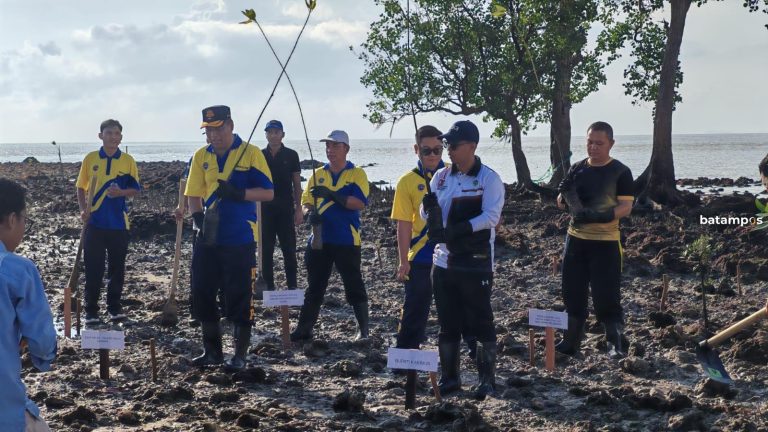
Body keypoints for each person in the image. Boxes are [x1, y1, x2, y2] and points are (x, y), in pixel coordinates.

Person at [185, 105, 274, 371]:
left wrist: (240, 194)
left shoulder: (251, 154)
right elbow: (193, 194)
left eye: (219, 128)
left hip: (240, 236)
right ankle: (211, 351)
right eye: (209, 130)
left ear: (231, 125)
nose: (214, 135)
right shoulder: (201, 156)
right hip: (208, 237)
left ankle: (240, 356)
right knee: (201, 291)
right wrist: (198, 220)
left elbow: (268, 193)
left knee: (240, 295)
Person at [422, 120, 505, 400]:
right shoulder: (440, 178)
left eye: (453, 146)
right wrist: (427, 209)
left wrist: (461, 228)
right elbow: (429, 217)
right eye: (447, 145)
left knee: (481, 321)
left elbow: (492, 217)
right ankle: (450, 379)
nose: (449, 151)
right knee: (448, 324)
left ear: (472, 146)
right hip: (444, 263)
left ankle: (486, 380)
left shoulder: (489, 179)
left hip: (476, 262)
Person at [555, 121, 634, 359]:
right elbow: (561, 200)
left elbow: (626, 207)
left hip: (606, 242)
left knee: (607, 294)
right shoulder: (577, 168)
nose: (593, 147)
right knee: (572, 293)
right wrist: (564, 198)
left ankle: (615, 342)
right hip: (575, 240)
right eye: (590, 142)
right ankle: (570, 341)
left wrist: (603, 215)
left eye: (599, 143)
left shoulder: (620, 171)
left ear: (611, 143)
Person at [290, 130, 370, 342]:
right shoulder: (317, 174)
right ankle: (305, 328)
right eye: (328, 146)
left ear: (346, 149)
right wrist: (310, 215)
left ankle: (363, 330)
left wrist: (332, 194)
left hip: (347, 239)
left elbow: (359, 203)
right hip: (319, 239)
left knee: (353, 284)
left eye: (335, 146)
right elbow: (306, 202)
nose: (330, 150)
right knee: (315, 286)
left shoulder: (357, 174)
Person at [0, 178, 57, 432]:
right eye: (25, 220)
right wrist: (41, 354)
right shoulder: (17, 270)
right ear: (12, 219)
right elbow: (42, 343)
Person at [76, 119, 141, 325]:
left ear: (121, 137)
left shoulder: (128, 161)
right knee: (94, 268)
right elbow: (80, 187)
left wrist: (120, 192)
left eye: (116, 134)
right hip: (94, 222)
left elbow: (135, 190)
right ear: (100, 136)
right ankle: (91, 311)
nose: (113, 137)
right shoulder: (91, 159)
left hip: (118, 224)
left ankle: (114, 308)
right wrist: (83, 209)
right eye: (109, 133)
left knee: (116, 268)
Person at [391, 125, 446, 351]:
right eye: (427, 150)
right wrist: (403, 260)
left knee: (457, 309)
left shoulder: (452, 175)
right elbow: (403, 224)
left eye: (438, 149)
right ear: (416, 149)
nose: (433, 155)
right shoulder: (407, 181)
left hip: (449, 252)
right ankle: (404, 355)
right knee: (415, 307)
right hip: (421, 254)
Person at [261, 120, 303, 291]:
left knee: (289, 249)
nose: (273, 135)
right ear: (266, 134)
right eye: (270, 132)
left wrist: (299, 208)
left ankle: (292, 287)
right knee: (266, 251)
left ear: (282, 134)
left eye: (276, 132)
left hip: (286, 209)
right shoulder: (259, 155)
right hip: (265, 209)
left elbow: (297, 184)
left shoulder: (291, 155)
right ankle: (268, 288)